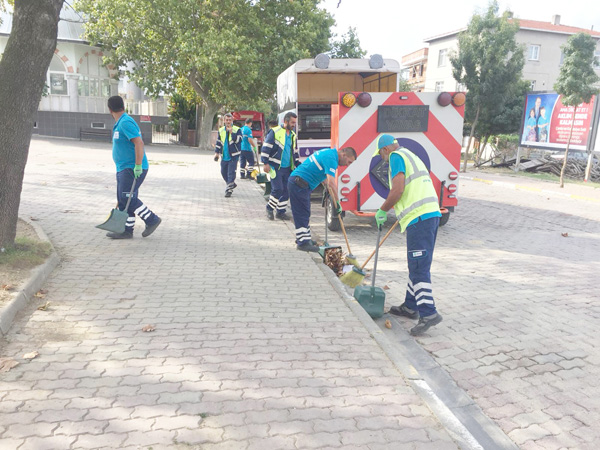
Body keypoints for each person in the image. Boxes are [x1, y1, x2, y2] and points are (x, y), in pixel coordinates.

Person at [374, 134, 442, 336]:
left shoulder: (395, 157)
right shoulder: (409, 154)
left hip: (419, 217)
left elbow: (398, 189)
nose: (381, 158)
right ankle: (410, 306)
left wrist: (382, 210)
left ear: (385, 149)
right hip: (428, 214)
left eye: (380, 154)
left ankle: (428, 313)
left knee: (419, 266)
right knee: (418, 263)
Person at [105, 96, 161, 239]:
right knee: (124, 199)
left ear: (110, 109)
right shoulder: (120, 123)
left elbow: (139, 143)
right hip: (123, 168)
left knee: (127, 197)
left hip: (132, 168)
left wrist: (137, 166)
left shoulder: (125, 122)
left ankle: (152, 219)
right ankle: (127, 230)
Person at [288, 147, 357, 252]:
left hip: (299, 183)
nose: (347, 165)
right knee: (302, 213)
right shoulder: (331, 158)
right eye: (349, 162)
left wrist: (325, 185)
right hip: (299, 184)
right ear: (344, 155)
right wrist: (337, 203)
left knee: (305, 212)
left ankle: (304, 239)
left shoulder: (329, 153)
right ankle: (303, 243)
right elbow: (331, 182)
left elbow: (324, 177)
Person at [261, 112, 299, 220]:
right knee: (278, 189)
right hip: (275, 167)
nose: (293, 125)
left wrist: (297, 165)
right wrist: (265, 163)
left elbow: (295, 152)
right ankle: (269, 208)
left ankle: (280, 212)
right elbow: (266, 147)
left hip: (288, 168)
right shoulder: (274, 132)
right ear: (285, 121)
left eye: (295, 123)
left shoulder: (292, 135)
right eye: (292, 122)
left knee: (287, 190)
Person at [214, 113, 242, 197]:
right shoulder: (221, 130)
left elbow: (238, 140)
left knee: (231, 172)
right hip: (224, 155)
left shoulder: (237, 130)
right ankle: (231, 184)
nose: (228, 121)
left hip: (233, 155)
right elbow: (219, 142)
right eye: (227, 120)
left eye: (230, 120)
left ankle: (229, 190)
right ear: (224, 120)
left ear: (232, 121)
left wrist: (231, 133)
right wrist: (216, 153)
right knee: (223, 171)